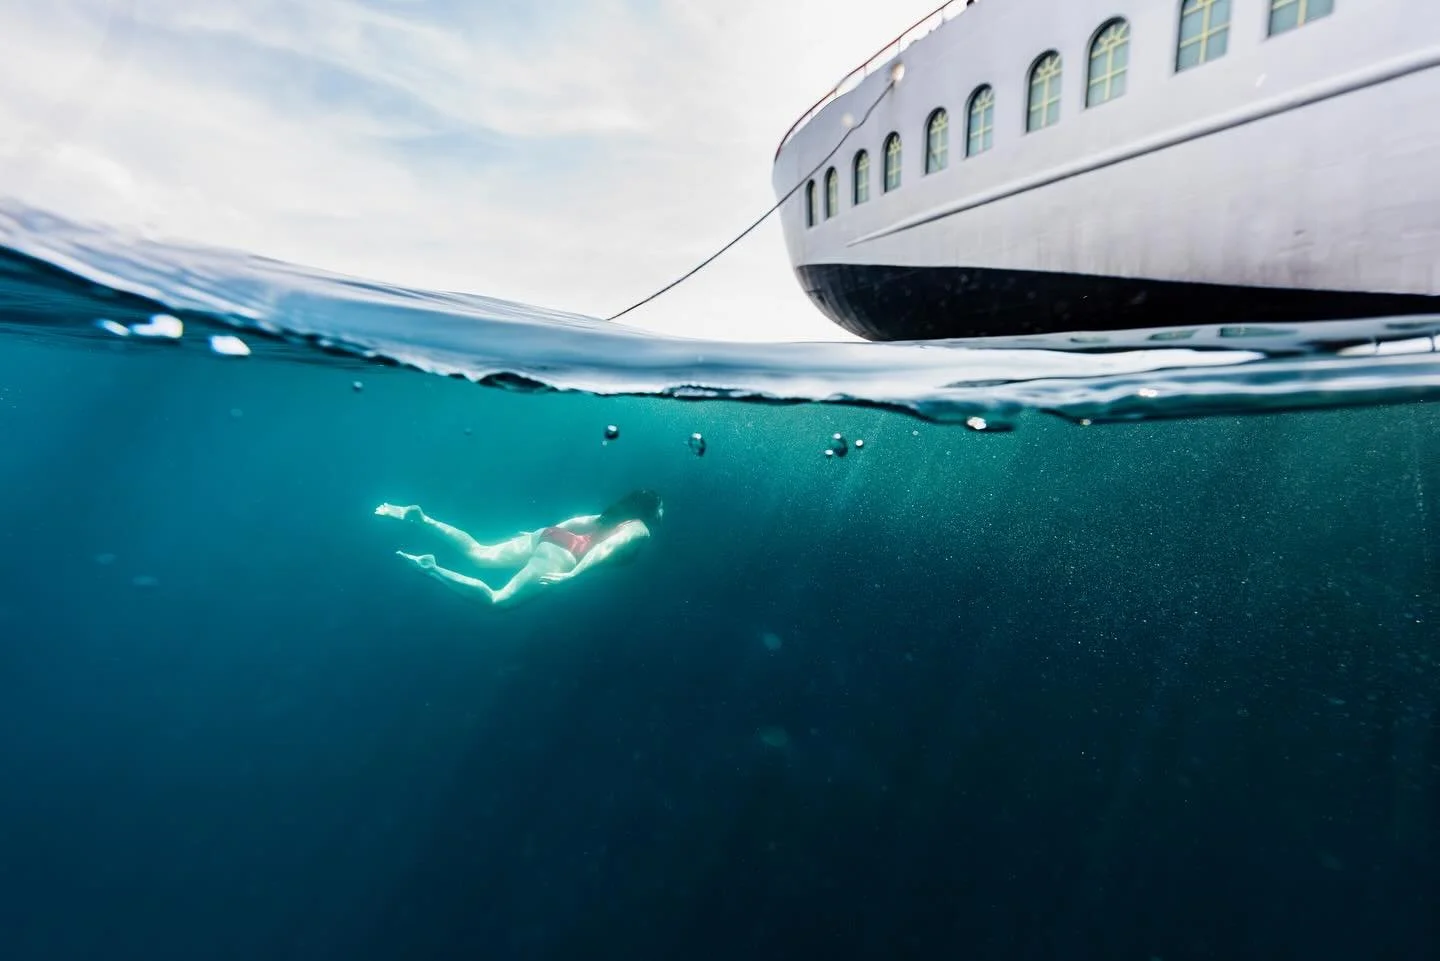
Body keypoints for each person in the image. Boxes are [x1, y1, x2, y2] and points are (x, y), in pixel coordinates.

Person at [374, 490, 662, 609]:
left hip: (550, 536)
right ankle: (431, 568)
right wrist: (574, 574)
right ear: (648, 510)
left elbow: (572, 523)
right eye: (659, 507)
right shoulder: (639, 528)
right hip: (567, 553)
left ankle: (423, 520)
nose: (662, 512)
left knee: (478, 552)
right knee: (497, 601)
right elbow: (607, 549)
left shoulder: (607, 515)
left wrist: (540, 536)